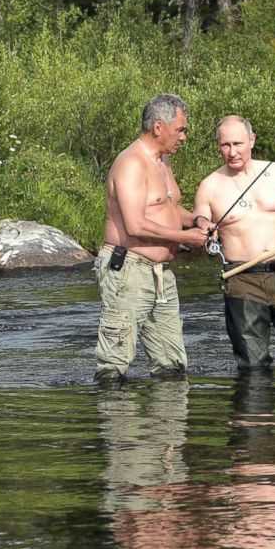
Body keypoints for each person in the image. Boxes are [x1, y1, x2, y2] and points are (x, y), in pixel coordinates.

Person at [94, 93, 209, 381]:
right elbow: (135, 225)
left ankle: (167, 425)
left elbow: (167, 207)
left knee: (172, 365)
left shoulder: (163, 161)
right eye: (180, 130)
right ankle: (119, 423)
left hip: (160, 276)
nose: (184, 137)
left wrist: (197, 221)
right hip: (128, 272)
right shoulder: (131, 163)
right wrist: (186, 238)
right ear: (159, 127)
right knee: (114, 365)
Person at [192, 115, 275, 370]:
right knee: (253, 367)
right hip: (241, 279)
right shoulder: (209, 186)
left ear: (252, 140)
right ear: (218, 146)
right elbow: (201, 221)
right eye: (225, 145)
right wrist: (206, 229)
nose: (232, 152)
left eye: (238, 143)